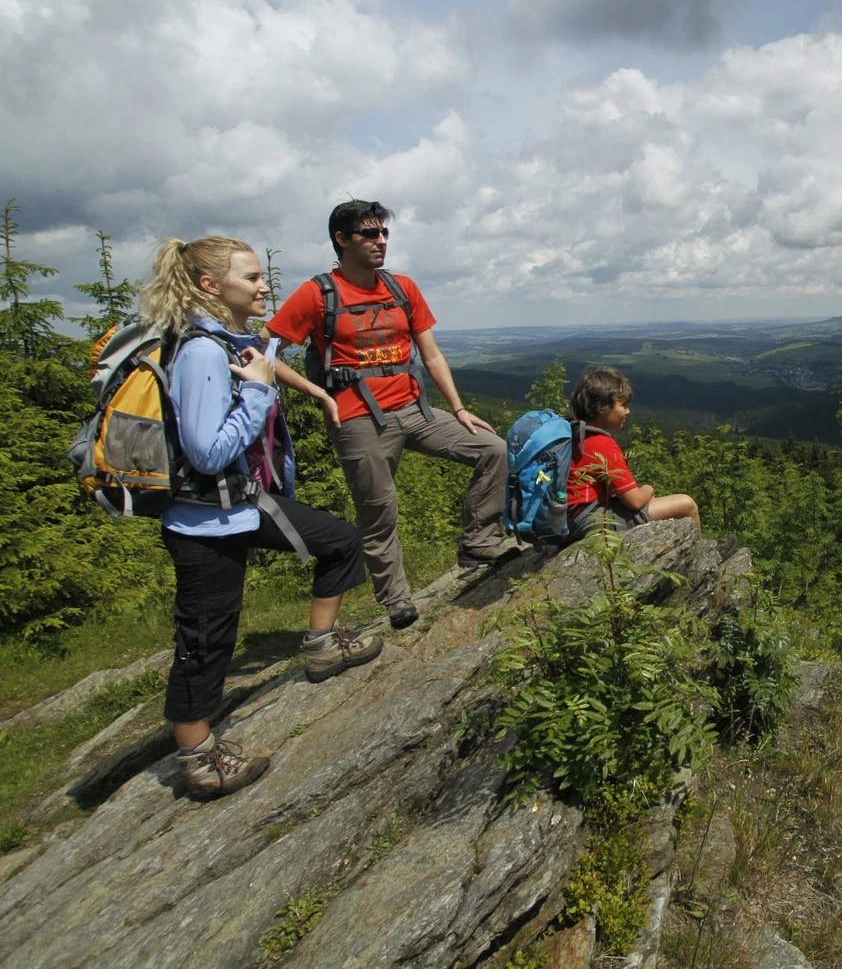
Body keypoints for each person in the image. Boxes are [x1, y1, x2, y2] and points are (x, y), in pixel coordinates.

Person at [142, 236, 379, 801]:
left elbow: (266, 363)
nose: (263, 285)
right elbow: (206, 453)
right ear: (209, 286)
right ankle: (197, 757)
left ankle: (321, 647)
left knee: (342, 541)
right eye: (251, 278)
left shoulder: (229, 340)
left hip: (242, 505)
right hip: (203, 521)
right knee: (207, 637)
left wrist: (310, 390)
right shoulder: (201, 352)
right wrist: (256, 397)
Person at [265, 200, 511, 631]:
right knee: (380, 510)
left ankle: (479, 543)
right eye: (369, 234)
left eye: (384, 234)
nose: (380, 242)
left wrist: (458, 408)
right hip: (357, 419)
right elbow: (265, 351)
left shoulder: (402, 288)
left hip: (415, 409)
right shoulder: (317, 293)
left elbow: (431, 354)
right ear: (341, 239)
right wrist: (318, 394)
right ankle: (397, 599)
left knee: (492, 449)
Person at [566, 366, 736, 558]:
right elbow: (636, 501)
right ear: (601, 408)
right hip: (590, 523)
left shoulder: (576, 432)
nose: (628, 411)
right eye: (623, 405)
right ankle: (704, 556)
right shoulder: (602, 444)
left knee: (655, 503)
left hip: (573, 517)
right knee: (686, 504)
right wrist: (649, 488)